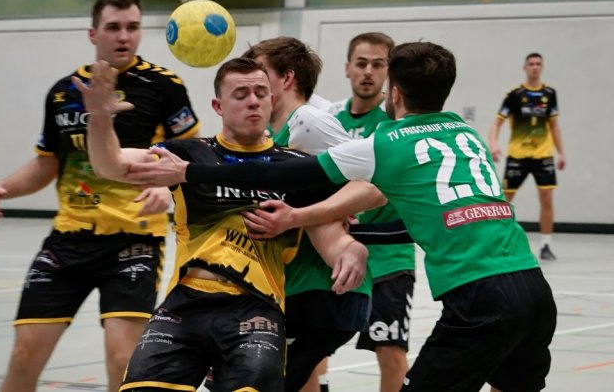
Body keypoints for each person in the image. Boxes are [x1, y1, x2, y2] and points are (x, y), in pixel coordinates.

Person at [129, 41, 558, 392]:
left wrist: (190, 172)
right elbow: (406, 213)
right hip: (534, 286)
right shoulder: (468, 135)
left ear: (395, 93)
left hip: (478, 295)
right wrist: (319, 225)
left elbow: (281, 174)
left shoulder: (385, 144)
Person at [77, 57, 372, 391]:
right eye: (241, 94)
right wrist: (99, 118)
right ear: (218, 106)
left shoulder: (294, 167)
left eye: (260, 93)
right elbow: (111, 166)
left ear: (271, 100)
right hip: (185, 305)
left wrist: (351, 250)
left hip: (256, 310)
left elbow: (330, 234)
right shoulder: (186, 155)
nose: (253, 101)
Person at [0, 0, 201, 392]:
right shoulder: (64, 92)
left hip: (134, 241)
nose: (124, 36)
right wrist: (3, 188)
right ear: (93, 34)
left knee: (123, 360)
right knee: (23, 356)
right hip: (68, 240)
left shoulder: (164, 86)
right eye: (113, 27)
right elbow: (47, 163)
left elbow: (191, 157)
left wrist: (167, 192)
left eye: (132, 27)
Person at [241, 36, 377, 392]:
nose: (252, 83)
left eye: (260, 73)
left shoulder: (307, 121)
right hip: (294, 286)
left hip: (324, 287)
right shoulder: (268, 133)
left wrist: (309, 214)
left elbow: (374, 184)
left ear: (287, 78)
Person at [329, 32, 415, 392]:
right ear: (347, 68)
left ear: (388, 72)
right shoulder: (329, 121)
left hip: (388, 259)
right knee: (313, 342)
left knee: (390, 350)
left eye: (378, 65)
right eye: (361, 63)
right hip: (332, 254)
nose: (368, 72)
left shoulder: (394, 124)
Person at [488, 52, 566, 261]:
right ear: (525, 68)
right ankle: (498, 241)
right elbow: (497, 123)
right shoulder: (514, 95)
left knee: (547, 198)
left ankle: (546, 245)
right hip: (518, 156)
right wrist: (493, 144)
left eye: (538, 64)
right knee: (504, 200)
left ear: (542, 67)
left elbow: (554, 126)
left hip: (543, 155)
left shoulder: (550, 94)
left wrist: (561, 152)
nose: (535, 67)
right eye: (531, 64)